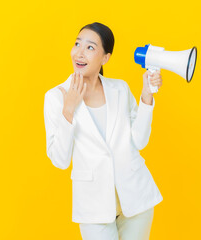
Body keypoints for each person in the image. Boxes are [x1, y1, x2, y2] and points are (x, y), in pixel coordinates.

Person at [43, 22, 163, 240]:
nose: (79, 52)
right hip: (93, 207)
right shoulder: (56, 97)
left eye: (90, 47)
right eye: (77, 44)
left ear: (105, 58)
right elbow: (59, 160)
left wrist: (147, 96)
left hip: (136, 199)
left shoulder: (120, 88)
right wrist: (68, 109)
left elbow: (140, 140)